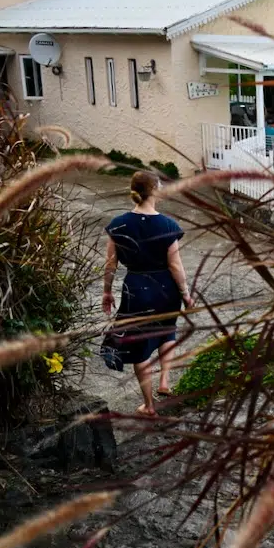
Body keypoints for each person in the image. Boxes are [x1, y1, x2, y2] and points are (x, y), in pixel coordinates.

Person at [102, 171, 192, 415]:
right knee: (167, 331)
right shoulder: (168, 225)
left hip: (137, 289)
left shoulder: (119, 225)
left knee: (141, 346)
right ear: (155, 191)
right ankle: (164, 380)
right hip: (166, 288)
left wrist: (107, 292)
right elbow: (175, 265)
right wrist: (185, 293)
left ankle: (149, 406)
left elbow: (110, 264)